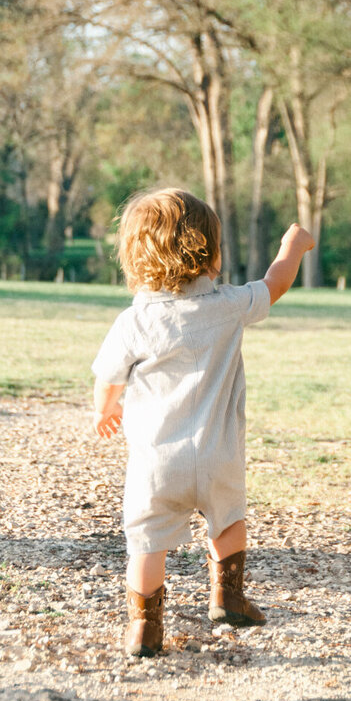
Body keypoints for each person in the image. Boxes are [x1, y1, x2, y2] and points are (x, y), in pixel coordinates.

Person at [91, 187, 315, 657]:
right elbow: (275, 283)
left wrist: (105, 408)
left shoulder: (134, 322)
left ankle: (144, 628)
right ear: (209, 252)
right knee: (228, 519)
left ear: (135, 255)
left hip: (156, 462)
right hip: (218, 453)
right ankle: (228, 595)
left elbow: (108, 379)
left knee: (147, 542)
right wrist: (291, 247)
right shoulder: (228, 305)